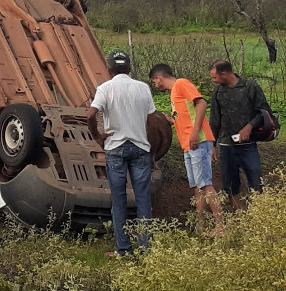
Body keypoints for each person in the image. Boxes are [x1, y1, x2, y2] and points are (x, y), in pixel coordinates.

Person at [87, 50, 156, 256]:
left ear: (108, 69)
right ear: (129, 68)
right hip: (140, 148)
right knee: (143, 200)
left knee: (119, 201)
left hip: (115, 148)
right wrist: (150, 146)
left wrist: (97, 136)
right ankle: (145, 249)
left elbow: (90, 114)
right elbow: (151, 121)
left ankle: (123, 249)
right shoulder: (143, 88)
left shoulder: (105, 88)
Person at [149, 63, 224, 236]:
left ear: (159, 78)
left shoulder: (181, 83)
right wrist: (171, 120)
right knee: (197, 186)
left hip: (198, 141)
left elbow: (201, 103)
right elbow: (185, 114)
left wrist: (195, 132)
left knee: (205, 184)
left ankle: (220, 226)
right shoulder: (174, 93)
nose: (155, 85)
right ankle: (200, 225)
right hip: (188, 145)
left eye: (154, 82)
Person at [209, 60, 272, 210]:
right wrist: (212, 145)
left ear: (224, 74)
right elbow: (214, 121)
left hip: (248, 145)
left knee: (256, 180)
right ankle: (238, 214)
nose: (213, 80)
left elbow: (264, 111)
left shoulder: (250, 86)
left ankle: (258, 213)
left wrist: (249, 127)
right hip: (226, 145)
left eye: (215, 77)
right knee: (230, 184)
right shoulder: (218, 92)